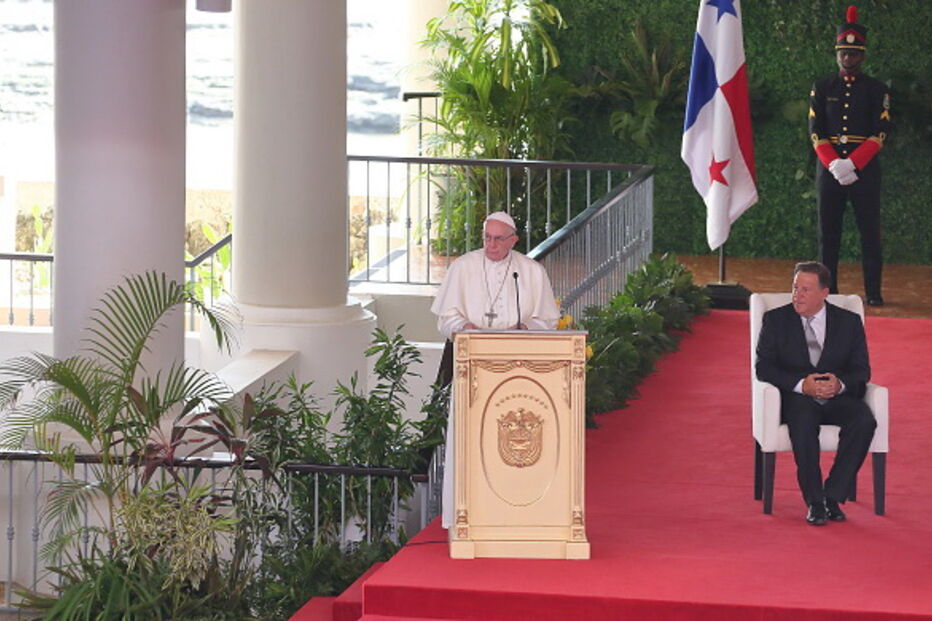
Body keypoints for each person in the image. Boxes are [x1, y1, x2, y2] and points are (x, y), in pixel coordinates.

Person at [431, 211, 560, 528]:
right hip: (472, 369)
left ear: (514, 240)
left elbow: (548, 320)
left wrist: (526, 327)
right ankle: (467, 513)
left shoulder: (529, 271)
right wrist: (465, 325)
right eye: (486, 237)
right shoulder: (463, 267)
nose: (491, 244)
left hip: (519, 373)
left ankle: (514, 510)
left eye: (498, 239)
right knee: (471, 442)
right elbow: (445, 318)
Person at [756, 261, 877, 526]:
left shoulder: (849, 322)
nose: (797, 295)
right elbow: (763, 368)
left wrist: (840, 384)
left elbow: (861, 370)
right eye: (795, 288)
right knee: (803, 423)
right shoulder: (775, 320)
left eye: (806, 290)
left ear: (824, 292)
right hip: (798, 398)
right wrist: (801, 384)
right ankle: (815, 501)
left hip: (838, 397)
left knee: (864, 420)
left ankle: (833, 495)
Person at [809, 5, 891, 306]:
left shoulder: (876, 89)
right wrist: (834, 164)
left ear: (863, 55)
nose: (848, 58)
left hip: (864, 172)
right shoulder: (821, 87)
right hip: (829, 172)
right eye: (843, 53)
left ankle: (873, 292)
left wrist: (853, 163)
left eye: (854, 54)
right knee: (827, 235)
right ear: (837, 53)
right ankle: (827, 290)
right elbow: (816, 130)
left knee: (870, 234)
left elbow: (880, 131)